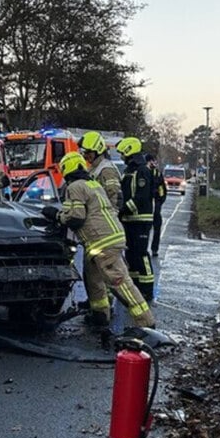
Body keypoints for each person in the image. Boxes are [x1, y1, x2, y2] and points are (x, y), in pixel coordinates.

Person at [40, 152, 158, 340]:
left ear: (67, 168)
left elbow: (76, 217)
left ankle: (146, 324)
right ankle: (100, 315)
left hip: (102, 242)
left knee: (120, 282)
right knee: (94, 280)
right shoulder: (92, 183)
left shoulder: (75, 186)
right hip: (104, 239)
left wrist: (56, 215)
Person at [116, 137, 155, 301]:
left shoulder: (142, 171)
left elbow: (141, 196)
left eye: (122, 154)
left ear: (129, 151)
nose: (121, 157)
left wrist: (123, 209)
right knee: (131, 254)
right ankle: (134, 286)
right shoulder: (128, 171)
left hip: (141, 219)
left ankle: (147, 289)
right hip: (129, 220)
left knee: (141, 254)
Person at [78, 131, 122, 209]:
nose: (85, 155)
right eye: (84, 152)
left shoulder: (107, 170)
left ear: (98, 150)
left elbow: (114, 196)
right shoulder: (93, 168)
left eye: (88, 152)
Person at [146, 154, 167, 256]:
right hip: (146, 207)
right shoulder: (143, 173)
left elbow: (162, 189)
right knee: (146, 229)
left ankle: (154, 249)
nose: (153, 163)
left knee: (156, 227)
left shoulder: (157, 174)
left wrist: (159, 202)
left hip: (154, 206)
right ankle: (146, 248)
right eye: (152, 161)